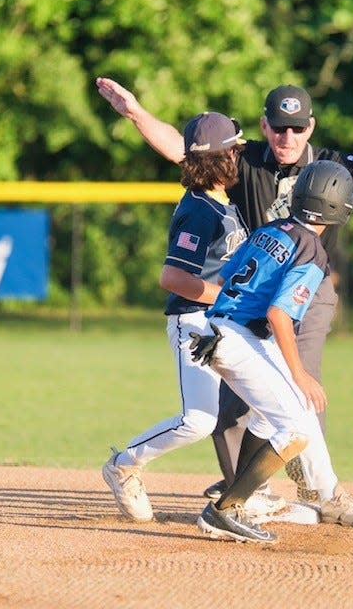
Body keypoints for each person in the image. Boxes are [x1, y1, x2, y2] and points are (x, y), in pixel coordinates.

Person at [96, 76, 353, 510]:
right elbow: (186, 150)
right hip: (246, 293)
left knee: (299, 386)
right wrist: (135, 112)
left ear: (311, 127)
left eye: (297, 127)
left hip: (306, 291)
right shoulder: (244, 161)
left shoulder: (333, 166)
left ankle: (322, 490)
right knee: (226, 405)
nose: (288, 136)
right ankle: (243, 488)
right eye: (279, 127)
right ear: (264, 126)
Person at [101, 111, 286, 522]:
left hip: (226, 325)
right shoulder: (200, 210)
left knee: (270, 403)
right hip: (195, 323)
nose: (240, 155)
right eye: (234, 150)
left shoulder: (223, 200)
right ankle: (124, 465)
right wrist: (228, 294)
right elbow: (172, 277)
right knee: (200, 421)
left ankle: (245, 492)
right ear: (220, 159)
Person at [191, 160, 353, 543]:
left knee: (273, 416)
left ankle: (249, 498)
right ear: (340, 207)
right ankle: (225, 510)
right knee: (297, 428)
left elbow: (225, 274)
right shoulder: (312, 251)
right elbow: (279, 313)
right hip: (239, 339)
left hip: (222, 330)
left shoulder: (270, 229)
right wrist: (301, 374)